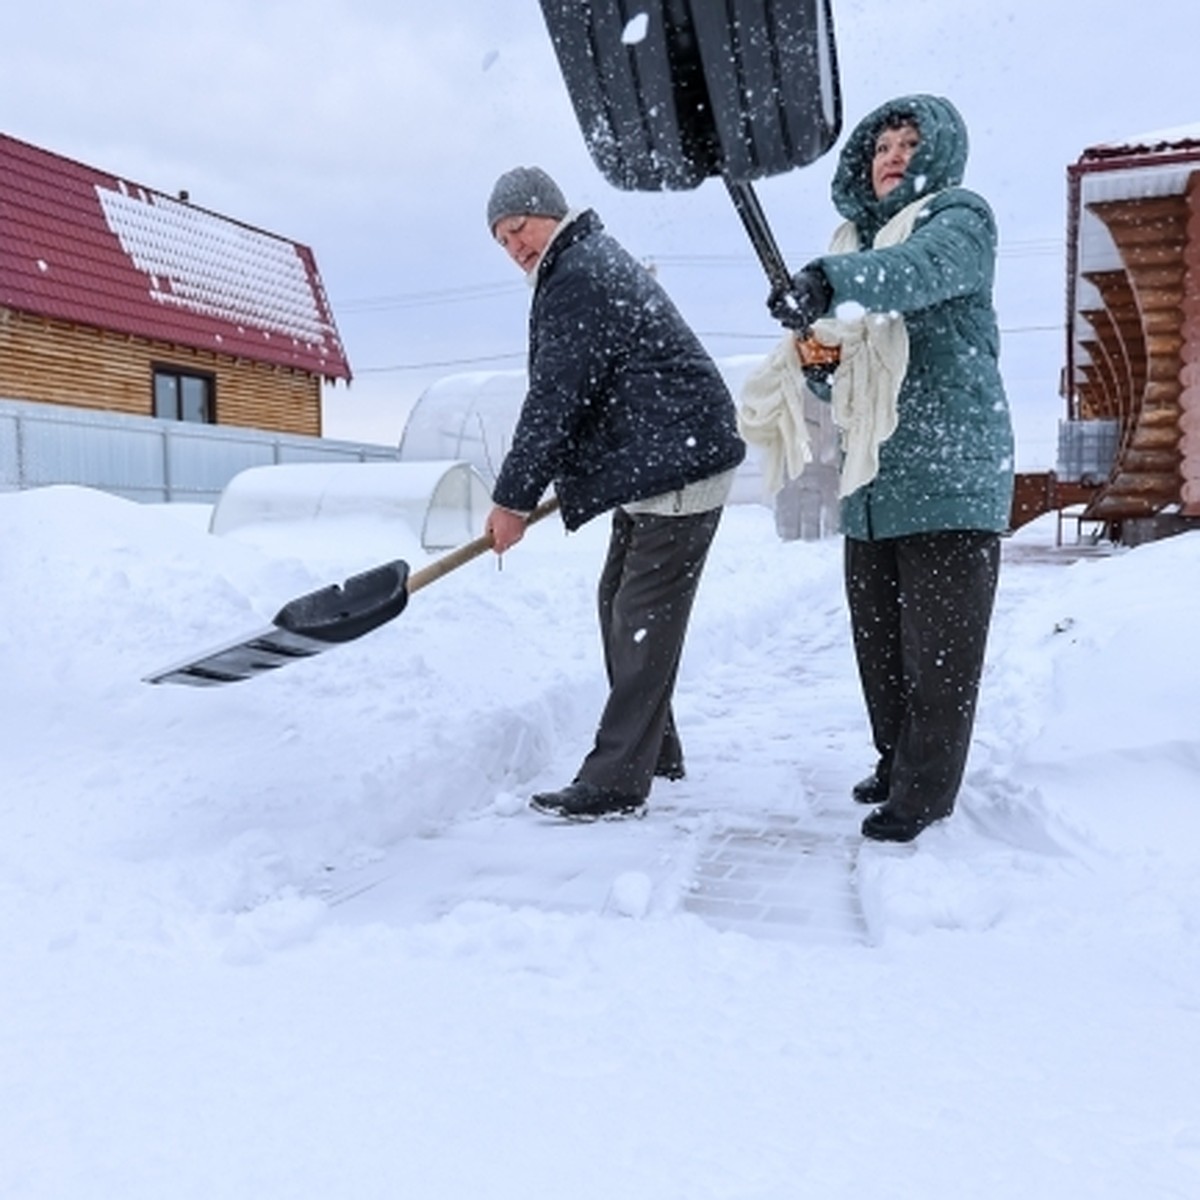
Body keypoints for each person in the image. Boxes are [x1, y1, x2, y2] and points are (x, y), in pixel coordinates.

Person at [765, 95, 1014, 843]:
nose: (894, 155)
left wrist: (829, 280)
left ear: (937, 155)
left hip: (948, 472)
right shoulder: (856, 250)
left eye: (910, 143)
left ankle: (925, 791)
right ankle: (895, 758)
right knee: (879, 641)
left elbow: (915, 273)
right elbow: (842, 383)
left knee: (937, 651)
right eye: (882, 146)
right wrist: (819, 360)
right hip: (875, 478)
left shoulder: (959, 221)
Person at [484, 166, 745, 822]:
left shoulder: (577, 272)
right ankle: (654, 749)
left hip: (679, 463)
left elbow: (554, 399)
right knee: (620, 606)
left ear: (549, 212)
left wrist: (513, 501)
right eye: (502, 241)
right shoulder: (581, 262)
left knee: (641, 617)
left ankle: (616, 779)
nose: (515, 246)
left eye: (518, 228)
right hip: (658, 459)